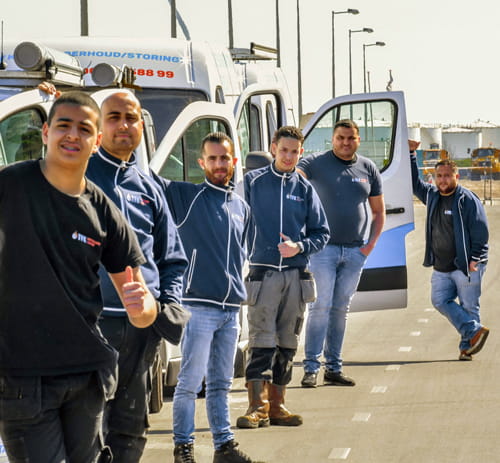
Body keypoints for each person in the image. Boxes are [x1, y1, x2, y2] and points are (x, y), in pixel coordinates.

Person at [0, 91, 158, 463]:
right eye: (63, 126)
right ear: (45, 133)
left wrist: (142, 307)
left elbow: (143, 304)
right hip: (23, 379)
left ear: (96, 140)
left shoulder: (101, 209)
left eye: (84, 129)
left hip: (87, 377)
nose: (73, 135)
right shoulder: (10, 187)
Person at [85, 91, 189, 462]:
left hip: (141, 333)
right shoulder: (76, 178)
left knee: (130, 427)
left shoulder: (150, 187)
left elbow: (173, 259)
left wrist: (167, 309)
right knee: (87, 431)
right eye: (113, 117)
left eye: (131, 118)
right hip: (90, 330)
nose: (123, 125)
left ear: (141, 126)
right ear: (98, 128)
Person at [160, 132, 264, 463]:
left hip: (231, 310)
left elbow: (243, 253)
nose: (220, 164)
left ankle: (224, 447)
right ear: (202, 162)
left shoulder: (241, 208)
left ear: (234, 162)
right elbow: (142, 177)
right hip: (198, 307)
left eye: (225, 158)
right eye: (213, 159)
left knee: (220, 384)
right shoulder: (185, 196)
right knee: (190, 383)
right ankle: (183, 449)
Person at [236, 126, 329, 430]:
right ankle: (256, 408)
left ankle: (278, 406)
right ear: (274, 148)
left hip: (296, 276)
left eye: (294, 151)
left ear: (300, 153)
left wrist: (299, 247)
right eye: (284, 150)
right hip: (262, 274)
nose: (288, 156)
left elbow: (322, 233)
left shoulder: (305, 190)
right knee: (261, 340)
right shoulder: (252, 182)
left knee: (287, 342)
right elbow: (235, 222)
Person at [298, 119, 386, 388]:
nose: (345, 143)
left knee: (340, 310)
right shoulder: (314, 162)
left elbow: (379, 212)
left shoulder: (368, 168)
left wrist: (368, 247)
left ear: (358, 140)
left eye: (350, 138)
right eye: (340, 138)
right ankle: (311, 368)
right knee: (320, 307)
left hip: (355, 251)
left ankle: (333, 368)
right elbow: (293, 175)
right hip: (323, 250)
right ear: (332, 139)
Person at [408, 139, 489, 360]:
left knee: (469, 306)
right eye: (439, 176)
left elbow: (481, 231)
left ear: (456, 176)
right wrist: (411, 154)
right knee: (439, 300)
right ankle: (473, 332)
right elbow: (415, 185)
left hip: (466, 264)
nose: (442, 180)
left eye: (447, 176)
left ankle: (467, 348)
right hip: (441, 266)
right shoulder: (433, 195)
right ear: (434, 178)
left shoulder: (467, 200)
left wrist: (476, 259)